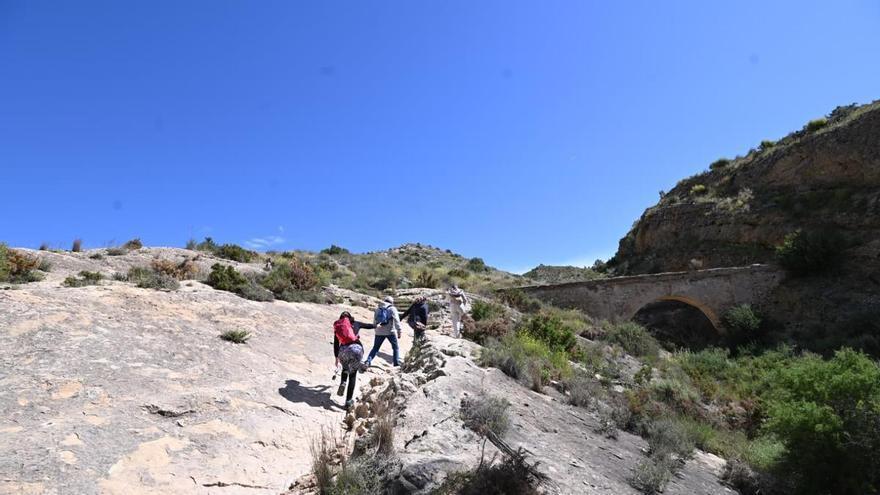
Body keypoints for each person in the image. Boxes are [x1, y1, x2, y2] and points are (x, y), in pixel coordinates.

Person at [333, 311, 374, 410]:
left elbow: (336, 344)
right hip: (356, 349)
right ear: (350, 318)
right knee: (353, 375)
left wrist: (336, 357)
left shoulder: (339, 327)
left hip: (343, 351)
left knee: (345, 367)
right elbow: (369, 325)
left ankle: (343, 382)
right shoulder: (356, 323)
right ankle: (348, 402)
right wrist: (377, 325)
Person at [365, 296, 402, 367]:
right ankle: (396, 363)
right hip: (390, 332)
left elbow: (375, 320)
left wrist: (375, 329)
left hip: (379, 331)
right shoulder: (392, 308)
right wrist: (399, 330)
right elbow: (397, 320)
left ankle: (368, 361)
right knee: (395, 347)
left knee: (375, 348)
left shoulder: (378, 308)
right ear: (391, 302)